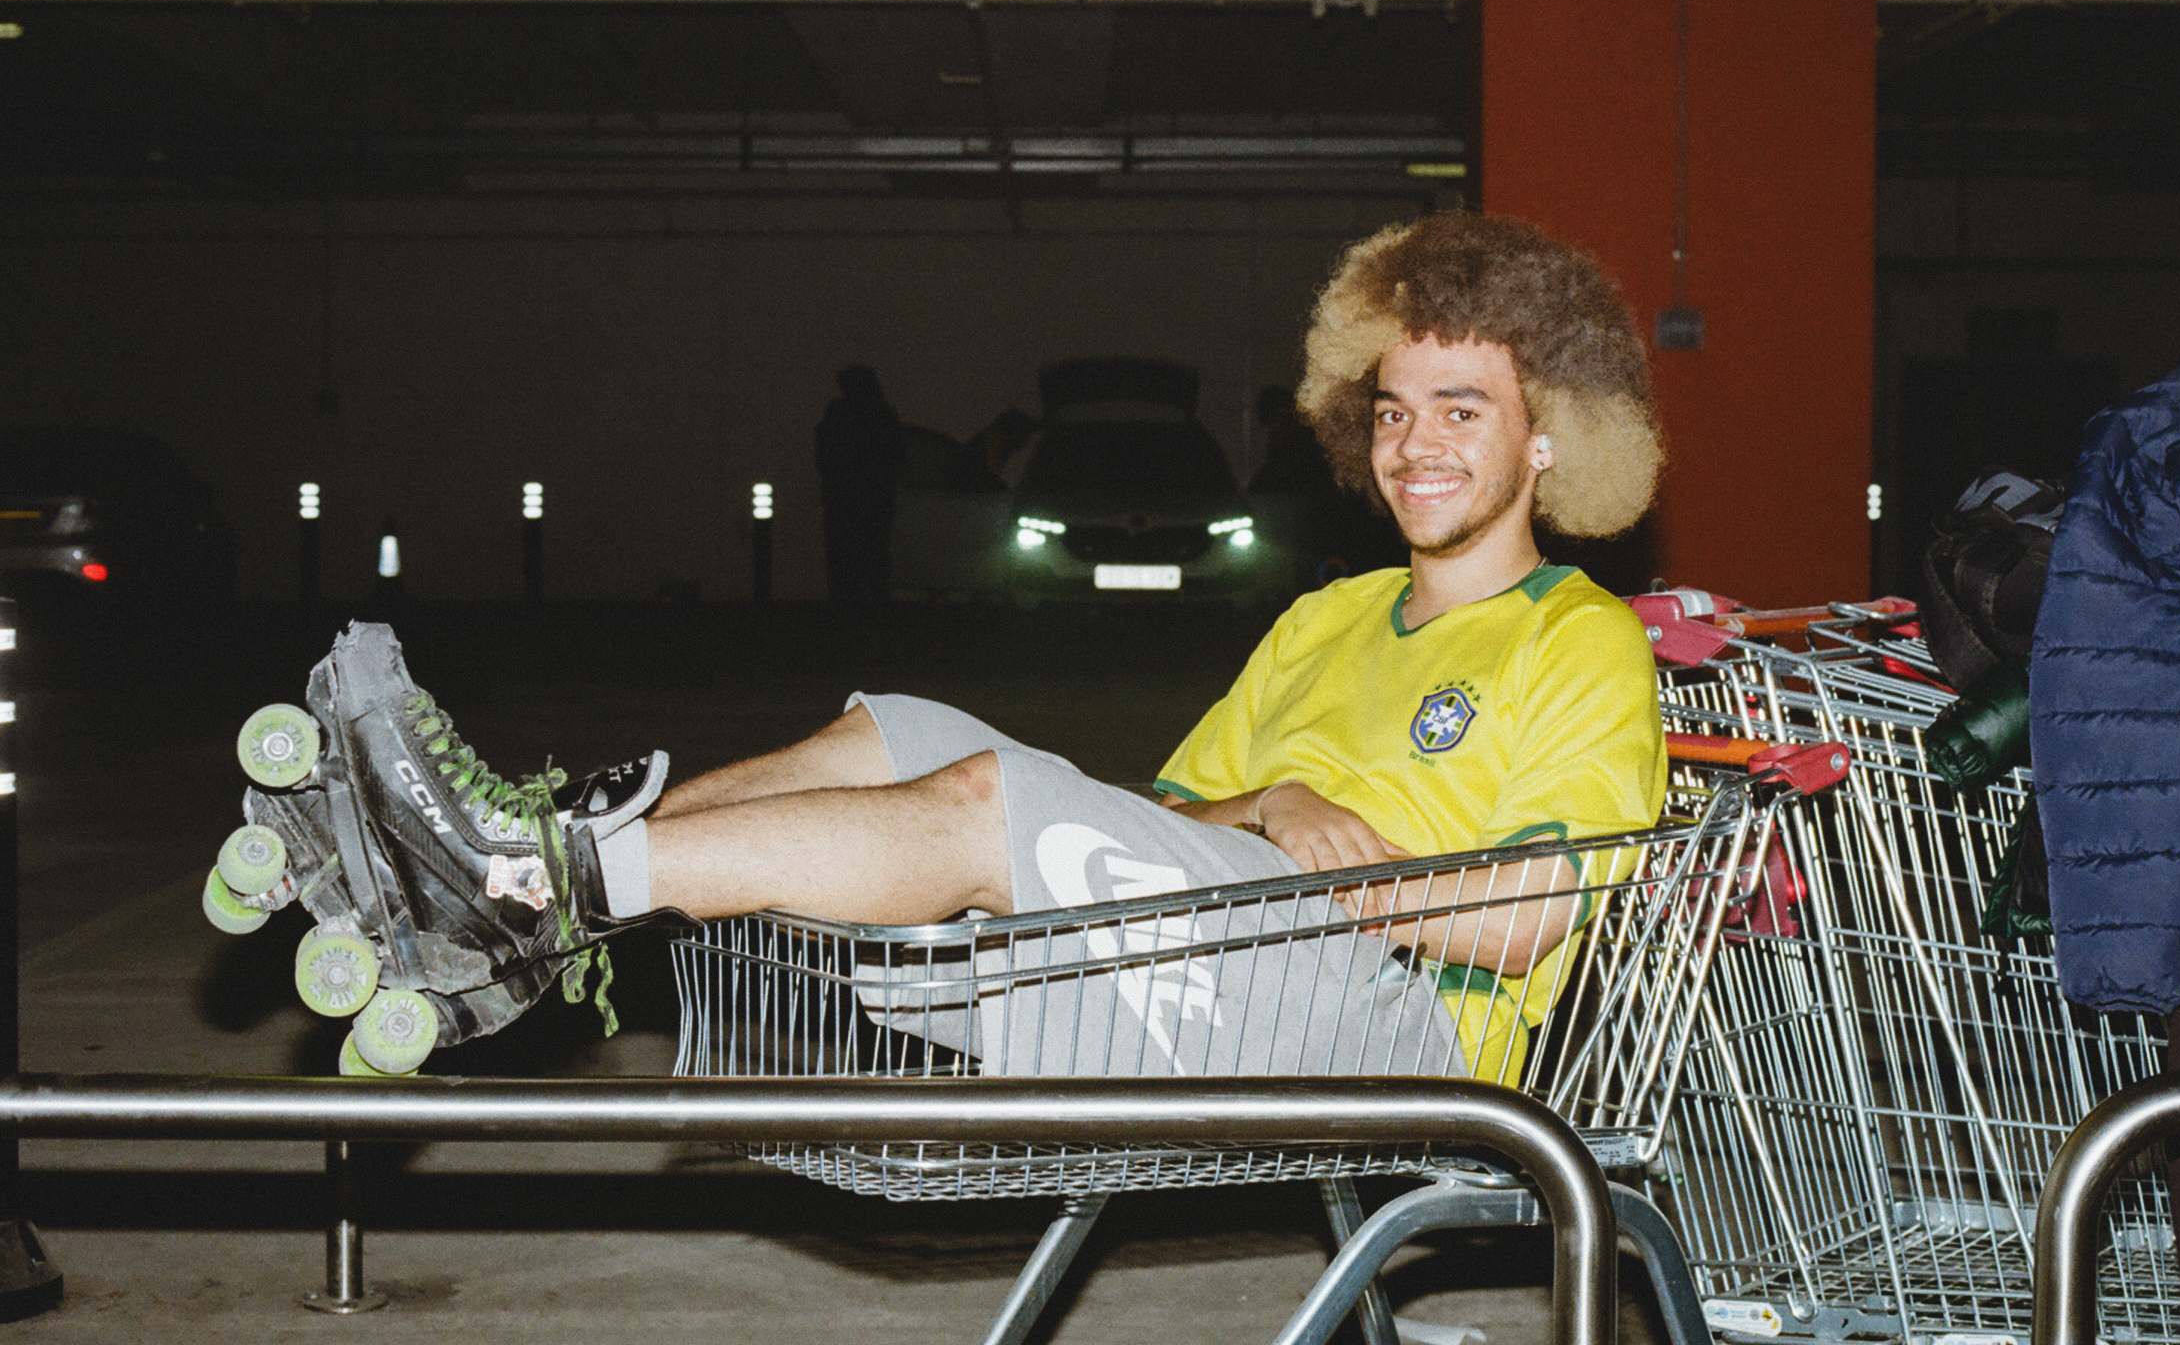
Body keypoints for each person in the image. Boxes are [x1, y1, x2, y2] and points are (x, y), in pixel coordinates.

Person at [253, 212, 1670, 1080]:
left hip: (1396, 1027)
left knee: (992, 803)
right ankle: (530, 863)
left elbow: (1540, 912)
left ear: (1546, 438)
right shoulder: (1325, 619)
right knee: (910, 729)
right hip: (1225, 935)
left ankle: (508, 891)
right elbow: (1168, 820)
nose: (1416, 444)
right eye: (1396, 409)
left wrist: (1328, 869)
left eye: (1461, 411)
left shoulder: (1581, 646)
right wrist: (1276, 816)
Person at [815, 364, 904, 605]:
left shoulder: (838, 413)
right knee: (875, 553)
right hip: (875, 496)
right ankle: (875, 603)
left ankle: (846, 604)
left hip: (843, 496)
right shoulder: (882, 413)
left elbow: (823, 455)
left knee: (843, 555)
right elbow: (896, 455)